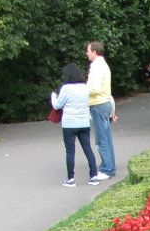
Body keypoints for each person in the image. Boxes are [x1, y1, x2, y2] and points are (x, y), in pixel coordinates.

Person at [50, 63, 100, 188]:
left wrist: (53, 96)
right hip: (84, 122)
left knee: (70, 151)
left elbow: (57, 105)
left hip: (69, 124)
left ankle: (71, 179)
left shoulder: (66, 89)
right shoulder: (85, 87)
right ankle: (93, 176)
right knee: (87, 148)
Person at [85, 41, 116, 180]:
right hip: (103, 103)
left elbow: (95, 88)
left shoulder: (96, 67)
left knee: (102, 139)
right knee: (106, 138)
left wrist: (83, 91)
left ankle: (107, 169)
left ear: (94, 52)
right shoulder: (103, 65)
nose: (87, 53)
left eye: (88, 51)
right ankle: (108, 166)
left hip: (98, 104)